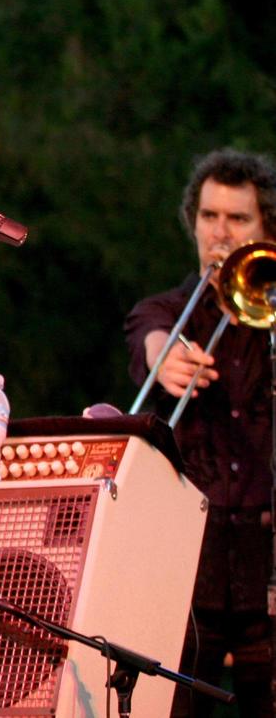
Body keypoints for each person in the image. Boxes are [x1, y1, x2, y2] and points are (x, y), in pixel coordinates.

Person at [125, 148, 275, 718]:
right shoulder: (166, 310)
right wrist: (165, 358)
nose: (220, 233)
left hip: (267, 559)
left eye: (238, 220)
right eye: (209, 217)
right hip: (193, 563)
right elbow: (151, 338)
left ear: (265, 229)